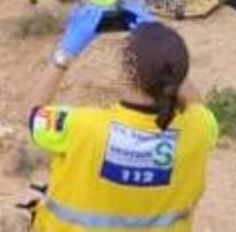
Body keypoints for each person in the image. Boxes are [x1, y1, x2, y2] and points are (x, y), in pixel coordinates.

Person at [25, 20, 217, 231]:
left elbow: (33, 115)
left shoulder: (82, 127)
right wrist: (168, 60)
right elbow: (199, 109)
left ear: (127, 72)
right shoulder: (200, 127)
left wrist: (63, 56)